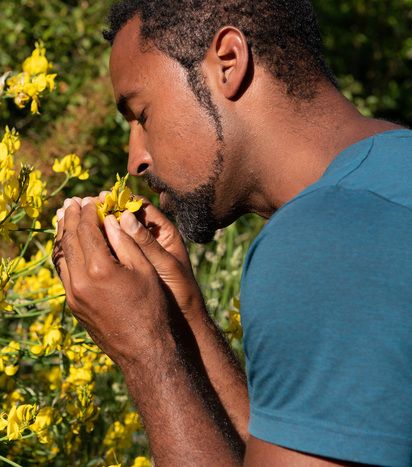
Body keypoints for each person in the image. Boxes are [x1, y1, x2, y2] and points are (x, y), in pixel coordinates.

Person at [53, 1, 412, 466]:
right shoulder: (387, 180)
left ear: (228, 62)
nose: (135, 160)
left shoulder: (323, 244)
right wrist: (185, 319)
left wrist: (146, 350)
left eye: (141, 115)